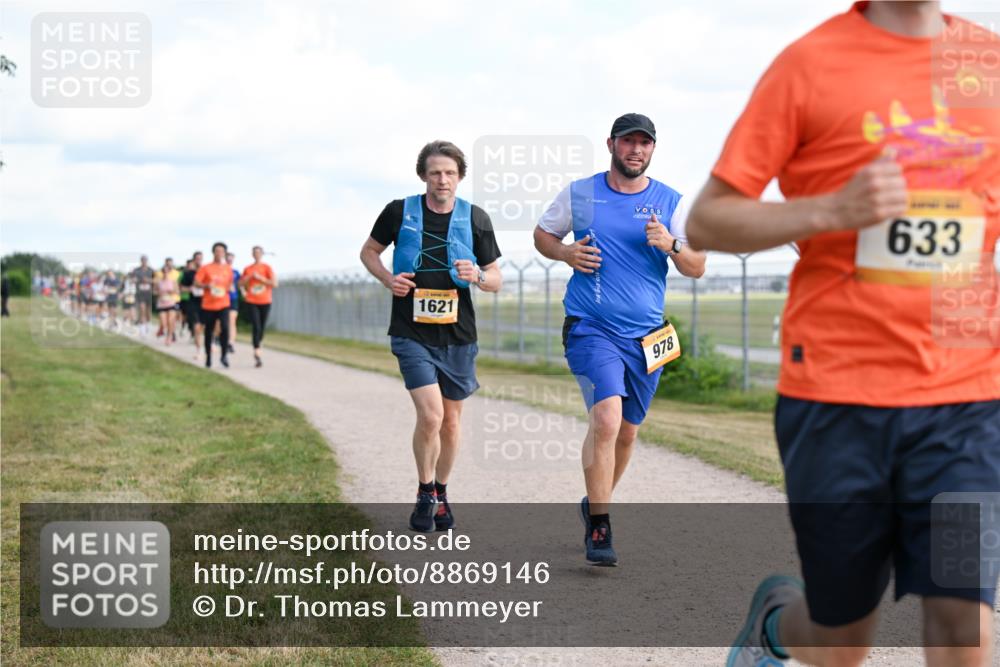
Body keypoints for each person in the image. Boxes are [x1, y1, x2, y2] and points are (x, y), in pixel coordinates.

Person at [686, 3, 999, 666]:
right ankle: (775, 624)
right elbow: (708, 220)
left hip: (966, 400)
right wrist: (834, 208)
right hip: (837, 396)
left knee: (961, 619)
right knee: (840, 639)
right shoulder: (811, 64)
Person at [533, 113, 706, 566]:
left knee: (628, 432)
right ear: (611, 144)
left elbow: (697, 266)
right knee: (606, 420)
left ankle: (595, 501)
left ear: (653, 149)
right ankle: (601, 525)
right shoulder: (581, 193)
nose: (636, 150)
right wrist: (566, 252)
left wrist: (671, 244)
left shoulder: (672, 202)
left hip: (648, 336)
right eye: (628, 142)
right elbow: (543, 235)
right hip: (591, 327)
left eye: (644, 143)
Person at [360, 140, 502, 533]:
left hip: (458, 335)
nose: (443, 179)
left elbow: (495, 278)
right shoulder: (398, 211)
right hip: (411, 331)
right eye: (436, 172)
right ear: (423, 175)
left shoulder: (476, 218)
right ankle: (425, 491)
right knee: (431, 414)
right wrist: (389, 279)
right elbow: (369, 252)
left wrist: (479, 276)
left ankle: (441, 491)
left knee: (451, 424)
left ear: (460, 177)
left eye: (450, 173)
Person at [195, 242, 233, 369]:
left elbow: (229, 284)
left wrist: (229, 289)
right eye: (217, 250)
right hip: (208, 305)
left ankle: (223, 356)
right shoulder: (205, 268)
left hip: (224, 303)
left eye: (221, 251)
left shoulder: (228, 268)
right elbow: (196, 283)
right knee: (209, 331)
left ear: (224, 253)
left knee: (225, 328)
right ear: (213, 252)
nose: (219, 253)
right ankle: (208, 358)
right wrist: (206, 286)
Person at [240, 245, 277, 368]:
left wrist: (260, 278)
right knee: (256, 325)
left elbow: (274, 283)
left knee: (262, 325)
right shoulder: (248, 268)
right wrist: (249, 277)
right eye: (254, 252)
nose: (257, 254)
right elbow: (240, 283)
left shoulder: (267, 268)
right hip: (252, 300)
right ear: (252, 254)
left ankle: (259, 342)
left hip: (265, 300)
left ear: (262, 254)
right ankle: (256, 350)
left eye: (259, 252)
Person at [155, 258, 180, 346]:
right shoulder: (159, 282)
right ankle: (162, 330)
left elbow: (177, 291)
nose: (165, 273)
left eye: (167, 271)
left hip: (171, 302)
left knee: (170, 321)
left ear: (169, 272)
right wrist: (159, 293)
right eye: (164, 271)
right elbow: (154, 291)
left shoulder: (173, 281)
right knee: (164, 322)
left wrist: (171, 292)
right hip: (161, 303)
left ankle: (169, 337)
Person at [132, 255, 155, 336]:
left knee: (148, 311)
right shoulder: (136, 270)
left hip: (148, 293)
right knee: (142, 310)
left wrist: (148, 280)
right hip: (140, 293)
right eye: (142, 260)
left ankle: (148, 324)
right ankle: (142, 329)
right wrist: (137, 280)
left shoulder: (151, 270)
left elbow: (156, 280)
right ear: (141, 261)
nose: (144, 262)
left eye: (145, 260)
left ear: (147, 261)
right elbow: (133, 279)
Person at [225, 251, 240, 355]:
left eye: (231, 258)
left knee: (232, 320)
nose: (229, 260)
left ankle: (230, 343)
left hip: (233, 298)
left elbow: (241, 284)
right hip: (221, 299)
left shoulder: (236, 272)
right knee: (220, 323)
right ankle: (217, 337)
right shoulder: (220, 271)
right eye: (228, 258)